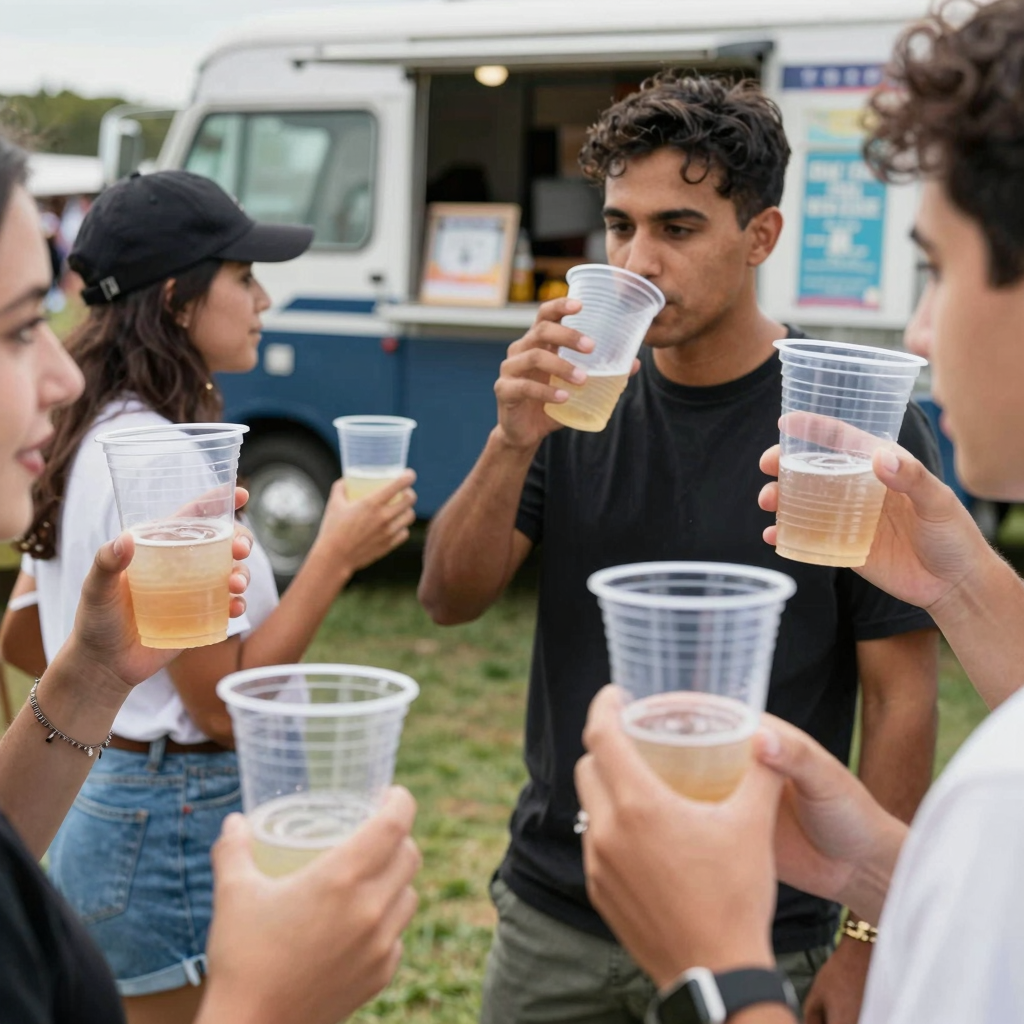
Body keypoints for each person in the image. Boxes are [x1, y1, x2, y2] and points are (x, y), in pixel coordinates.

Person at [418, 71, 942, 1023]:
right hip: (560, 905)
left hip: (760, 919)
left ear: (761, 236)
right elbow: (449, 599)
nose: (638, 259)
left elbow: (900, 695)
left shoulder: (849, 421)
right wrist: (508, 442)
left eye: (678, 228)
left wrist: (868, 940)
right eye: (621, 226)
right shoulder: (577, 401)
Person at [574, 2, 1024, 1022]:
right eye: (619, 225)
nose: (916, 325)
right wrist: (875, 870)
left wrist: (722, 968)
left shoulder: (1002, 804)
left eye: (937, 267)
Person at [0, 135, 420, 1024]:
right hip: (173, 818)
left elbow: (20, 633)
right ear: (177, 299)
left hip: (97, 801)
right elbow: (220, 705)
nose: (265, 299)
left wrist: (101, 687)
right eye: (243, 275)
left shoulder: (81, 429)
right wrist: (336, 554)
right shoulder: (170, 459)